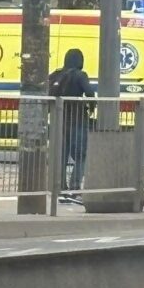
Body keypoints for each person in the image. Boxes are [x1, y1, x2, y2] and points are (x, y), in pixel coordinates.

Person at [49, 48, 95, 196]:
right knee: (82, 155)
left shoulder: (55, 74)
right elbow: (89, 92)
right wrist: (92, 106)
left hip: (59, 120)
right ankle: (75, 186)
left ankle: (60, 186)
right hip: (77, 120)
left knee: (62, 154)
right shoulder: (80, 75)